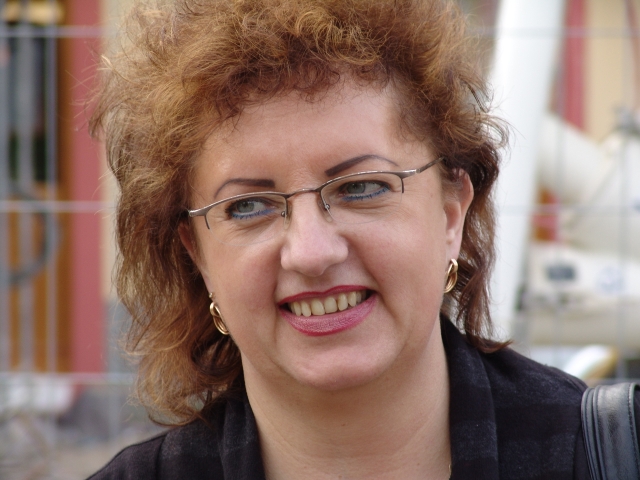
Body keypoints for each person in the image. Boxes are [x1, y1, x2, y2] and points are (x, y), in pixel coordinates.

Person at [87, 0, 638, 478]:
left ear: (451, 213)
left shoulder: (601, 459)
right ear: (198, 255)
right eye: (248, 206)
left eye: (361, 188)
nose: (312, 252)